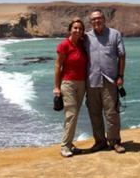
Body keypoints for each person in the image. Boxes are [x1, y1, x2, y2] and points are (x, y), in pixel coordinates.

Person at [85, 9, 127, 154]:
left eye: (99, 18)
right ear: (91, 22)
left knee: (112, 113)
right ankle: (100, 141)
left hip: (110, 80)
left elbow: (122, 56)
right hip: (91, 81)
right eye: (94, 19)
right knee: (94, 112)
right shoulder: (86, 37)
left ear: (104, 19)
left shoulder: (115, 35)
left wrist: (121, 76)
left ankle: (115, 141)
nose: (97, 21)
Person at [53, 18, 88, 158]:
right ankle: (65, 146)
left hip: (82, 83)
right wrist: (57, 87)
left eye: (80, 29)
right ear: (70, 30)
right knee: (71, 114)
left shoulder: (82, 44)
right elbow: (57, 66)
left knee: (73, 115)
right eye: (75, 28)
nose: (77, 31)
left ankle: (69, 143)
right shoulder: (63, 45)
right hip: (68, 83)